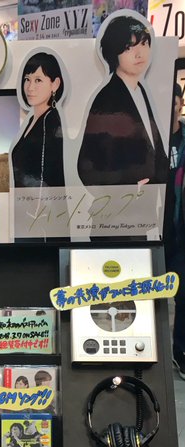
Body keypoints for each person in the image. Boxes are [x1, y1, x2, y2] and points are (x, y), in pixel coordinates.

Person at [78, 14, 168, 186]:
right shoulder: (105, 98)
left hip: (151, 197)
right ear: (115, 52)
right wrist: (130, 185)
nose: (139, 54)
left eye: (144, 43)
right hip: (123, 199)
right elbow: (88, 165)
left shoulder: (141, 91)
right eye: (128, 48)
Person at [11, 51, 65, 188]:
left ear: (55, 84)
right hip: (26, 199)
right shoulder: (33, 120)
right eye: (27, 79)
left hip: (39, 201)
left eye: (38, 80)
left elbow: (50, 177)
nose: (30, 87)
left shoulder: (49, 122)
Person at [164, 83, 185, 379]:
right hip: (151, 232)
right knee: (148, 296)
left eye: (175, 100)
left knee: (183, 296)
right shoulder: (146, 134)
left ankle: (180, 352)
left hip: (180, 233)